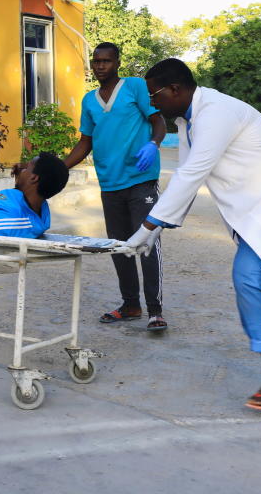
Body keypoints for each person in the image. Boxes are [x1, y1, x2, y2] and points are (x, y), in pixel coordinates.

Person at [126, 58, 261, 411]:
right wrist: (156, 230)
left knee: (250, 277)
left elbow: (191, 174)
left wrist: (147, 226)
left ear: (175, 90)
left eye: (154, 94)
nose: (152, 103)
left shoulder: (215, 112)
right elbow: (190, 181)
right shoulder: (189, 122)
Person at [61, 42, 169, 330]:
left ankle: (155, 311)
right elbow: (85, 142)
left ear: (117, 62)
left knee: (146, 243)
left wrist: (153, 144)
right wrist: (60, 169)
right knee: (119, 247)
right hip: (110, 184)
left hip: (140, 180)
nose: (100, 66)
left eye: (106, 61)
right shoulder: (88, 100)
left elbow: (159, 121)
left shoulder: (135, 87)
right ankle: (131, 305)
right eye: (96, 61)